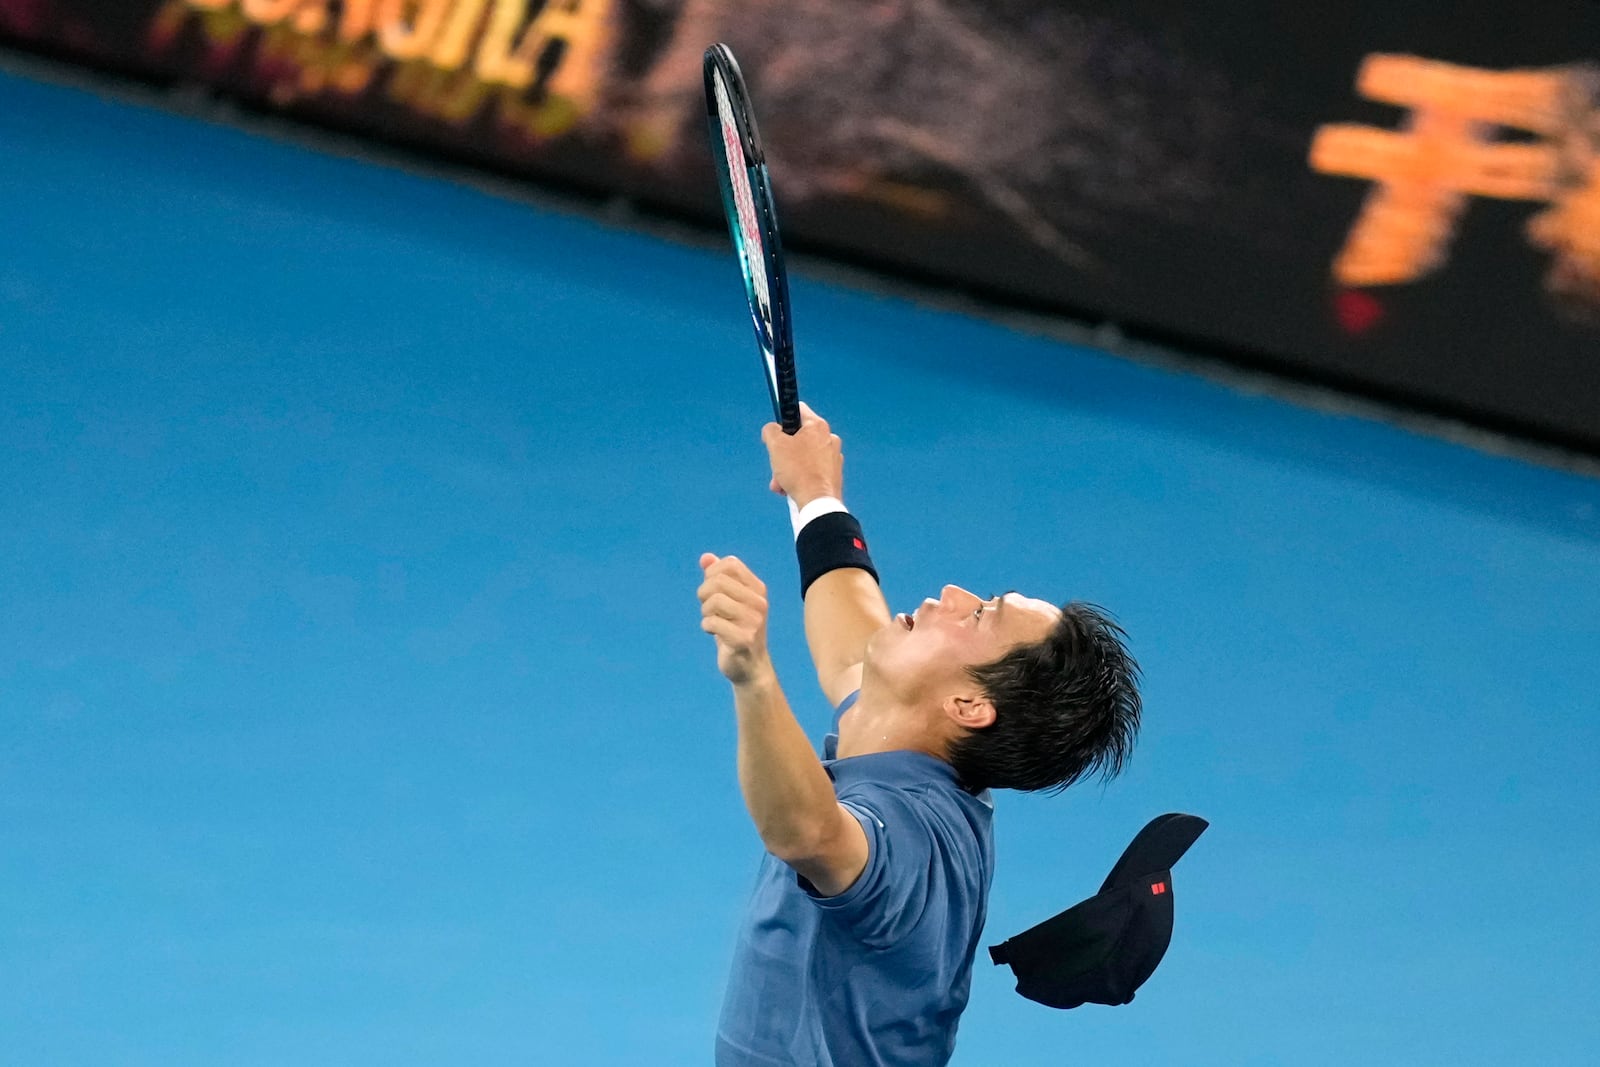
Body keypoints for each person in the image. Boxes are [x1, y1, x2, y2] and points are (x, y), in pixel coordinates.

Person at [697, 404, 1142, 1067]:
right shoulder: (903, 735)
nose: (952, 593)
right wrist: (816, 496)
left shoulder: (908, 837)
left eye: (982, 615)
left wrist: (753, 676)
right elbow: (851, 640)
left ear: (968, 703)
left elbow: (809, 833)